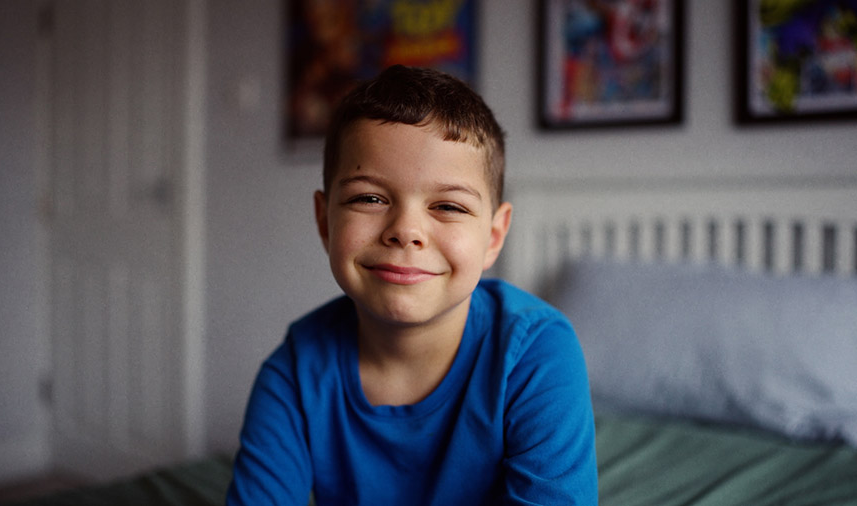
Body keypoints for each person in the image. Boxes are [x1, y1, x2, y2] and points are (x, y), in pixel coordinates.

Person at [226, 65, 598, 505]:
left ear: (494, 237)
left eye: (447, 206)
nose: (406, 230)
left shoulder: (537, 352)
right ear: (325, 221)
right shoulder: (293, 371)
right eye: (369, 198)